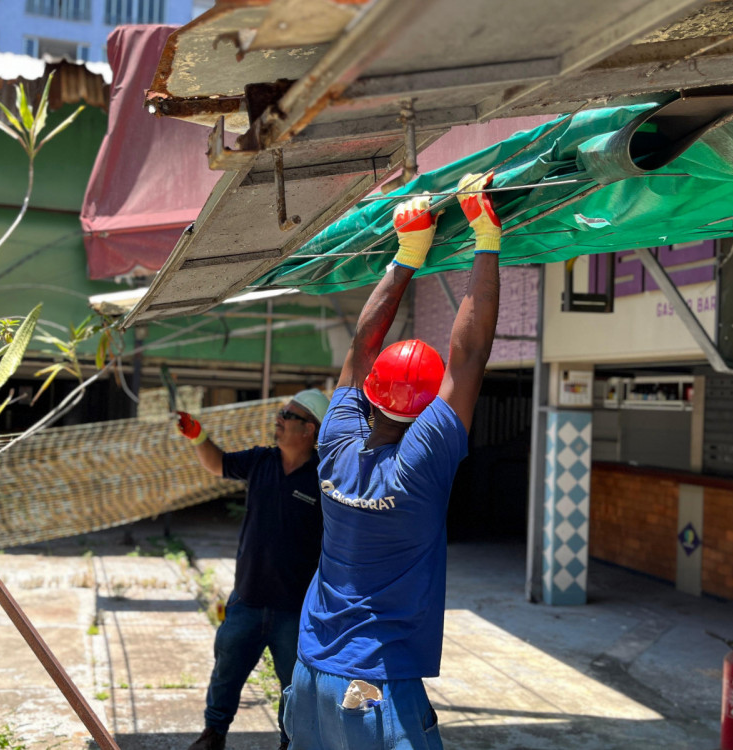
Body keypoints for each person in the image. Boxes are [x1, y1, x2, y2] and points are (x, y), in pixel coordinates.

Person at [281, 172, 502, 750]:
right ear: (426, 409)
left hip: (308, 675)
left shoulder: (335, 438)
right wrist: (484, 235)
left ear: (374, 394)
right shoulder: (420, 465)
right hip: (374, 685)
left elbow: (361, 348)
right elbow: (470, 354)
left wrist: (408, 251)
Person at [179, 389, 330, 750]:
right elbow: (218, 464)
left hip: (294, 610)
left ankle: (289, 742)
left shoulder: (324, 478)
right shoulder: (261, 461)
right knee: (226, 673)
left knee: (294, 686)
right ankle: (213, 735)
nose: (277, 419)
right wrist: (198, 436)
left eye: (287, 415)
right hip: (246, 600)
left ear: (309, 429)